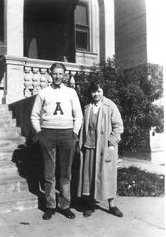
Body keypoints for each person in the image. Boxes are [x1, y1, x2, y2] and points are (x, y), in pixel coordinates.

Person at [31, 63, 83, 220]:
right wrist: (39, 132)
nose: (58, 76)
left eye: (61, 74)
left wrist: (75, 133)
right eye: (55, 73)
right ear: (50, 74)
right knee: (49, 172)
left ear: (65, 75)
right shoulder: (44, 92)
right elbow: (34, 115)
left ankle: (65, 205)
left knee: (65, 172)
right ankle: (50, 206)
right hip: (47, 134)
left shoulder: (71, 92)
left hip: (67, 134)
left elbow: (78, 115)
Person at [77, 80, 124, 217]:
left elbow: (118, 126)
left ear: (103, 91)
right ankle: (90, 205)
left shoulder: (110, 106)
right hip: (89, 147)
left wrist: (111, 143)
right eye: (93, 91)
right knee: (90, 176)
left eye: (99, 91)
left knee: (107, 176)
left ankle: (112, 205)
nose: (96, 94)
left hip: (105, 148)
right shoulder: (87, 108)